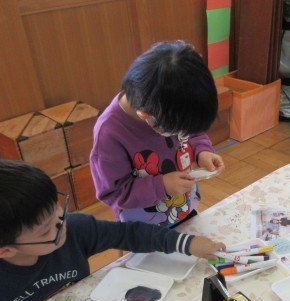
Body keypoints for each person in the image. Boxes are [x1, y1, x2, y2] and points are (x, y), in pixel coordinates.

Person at [0, 158, 225, 301]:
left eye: (58, 210)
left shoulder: (75, 228)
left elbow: (131, 234)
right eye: (46, 230)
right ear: (5, 251)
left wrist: (186, 243)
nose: (62, 224)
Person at [90, 41, 225, 227]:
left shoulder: (170, 107)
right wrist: (162, 186)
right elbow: (114, 193)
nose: (185, 133)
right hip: (145, 228)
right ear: (145, 115)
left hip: (184, 209)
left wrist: (202, 150)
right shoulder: (109, 134)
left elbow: (193, 131)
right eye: (180, 130)